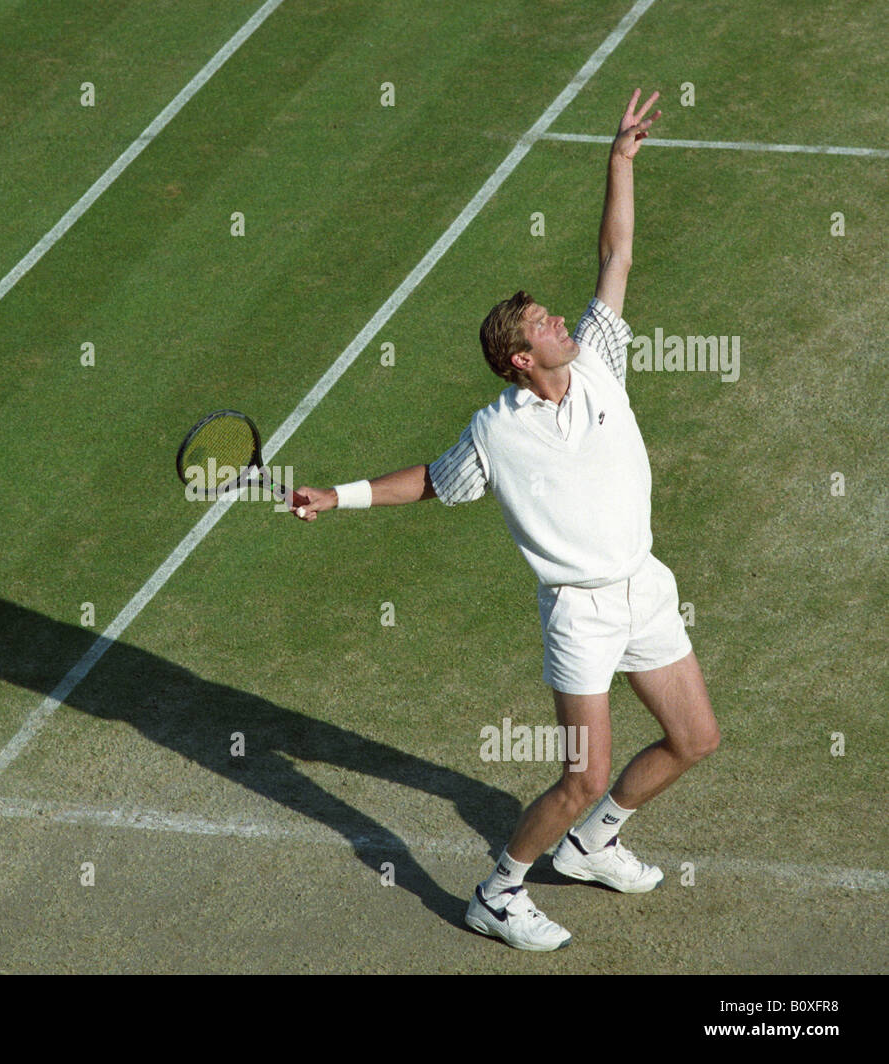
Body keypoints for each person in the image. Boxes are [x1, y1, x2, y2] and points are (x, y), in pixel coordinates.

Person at [289, 89, 720, 951]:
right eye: (542, 324)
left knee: (694, 737)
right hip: (580, 614)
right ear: (522, 360)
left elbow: (615, 255)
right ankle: (498, 890)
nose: (563, 319)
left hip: (644, 585)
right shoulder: (495, 431)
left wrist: (620, 162)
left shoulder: (600, 360)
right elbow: (433, 483)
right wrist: (337, 495)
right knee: (580, 773)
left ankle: (594, 844)